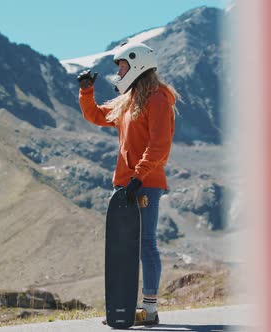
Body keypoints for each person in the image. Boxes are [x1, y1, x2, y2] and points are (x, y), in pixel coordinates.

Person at [77, 42, 179, 326]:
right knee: (123, 247)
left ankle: (149, 309)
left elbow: (160, 145)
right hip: (124, 183)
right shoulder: (128, 100)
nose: (119, 72)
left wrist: (140, 175)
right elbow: (96, 115)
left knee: (145, 242)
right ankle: (124, 308)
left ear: (137, 65)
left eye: (122, 66)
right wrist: (86, 91)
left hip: (145, 183)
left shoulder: (157, 98)